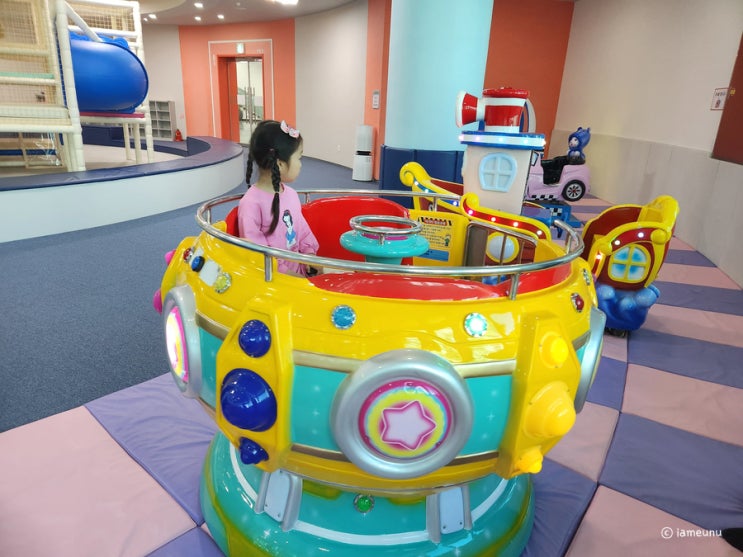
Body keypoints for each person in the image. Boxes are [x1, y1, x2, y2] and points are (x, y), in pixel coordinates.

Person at [238, 120, 319, 276]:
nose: (301, 165)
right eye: (299, 158)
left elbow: (302, 230)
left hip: (300, 274)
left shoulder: (291, 194)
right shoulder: (251, 204)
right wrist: (294, 278)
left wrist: (310, 256)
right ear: (280, 164)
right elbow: (259, 256)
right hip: (276, 282)